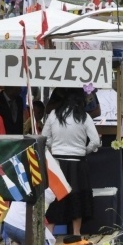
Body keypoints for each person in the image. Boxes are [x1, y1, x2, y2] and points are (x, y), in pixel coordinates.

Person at [42, 88, 101, 236]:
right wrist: (84, 150)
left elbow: (44, 138)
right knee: (78, 198)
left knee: (54, 198)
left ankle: (49, 235)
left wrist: (53, 148)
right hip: (78, 163)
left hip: (57, 163)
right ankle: (76, 234)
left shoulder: (54, 115)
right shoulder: (84, 116)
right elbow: (95, 141)